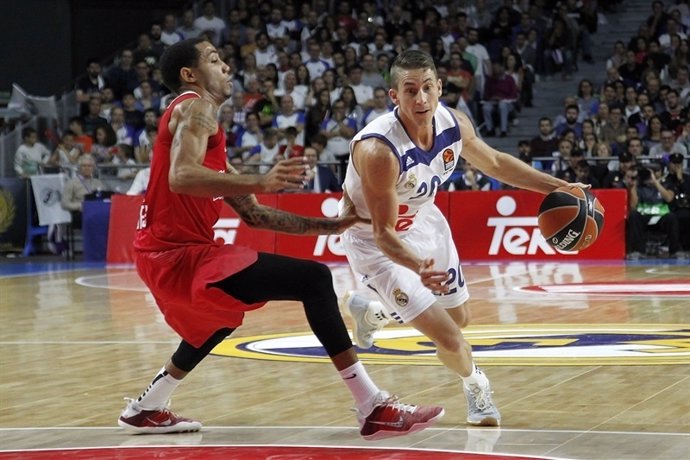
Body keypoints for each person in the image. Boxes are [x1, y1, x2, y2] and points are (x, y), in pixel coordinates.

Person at [117, 38, 444, 440]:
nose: (226, 68)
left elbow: (255, 214)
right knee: (314, 280)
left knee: (217, 320)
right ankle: (371, 405)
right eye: (215, 60)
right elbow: (180, 177)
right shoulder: (196, 106)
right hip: (175, 254)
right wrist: (262, 178)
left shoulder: (209, 141)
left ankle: (145, 407)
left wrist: (333, 226)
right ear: (189, 74)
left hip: (166, 253)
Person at [338, 49, 578, 428]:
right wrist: (418, 268)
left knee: (459, 317)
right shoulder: (379, 150)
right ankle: (476, 387)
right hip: (376, 244)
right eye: (410, 90)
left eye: (428, 88)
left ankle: (375, 311)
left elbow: (496, 163)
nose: (420, 99)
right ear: (393, 96)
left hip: (424, 222)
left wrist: (559, 187)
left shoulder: (453, 123)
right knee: (450, 339)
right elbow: (383, 233)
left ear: (439, 88)